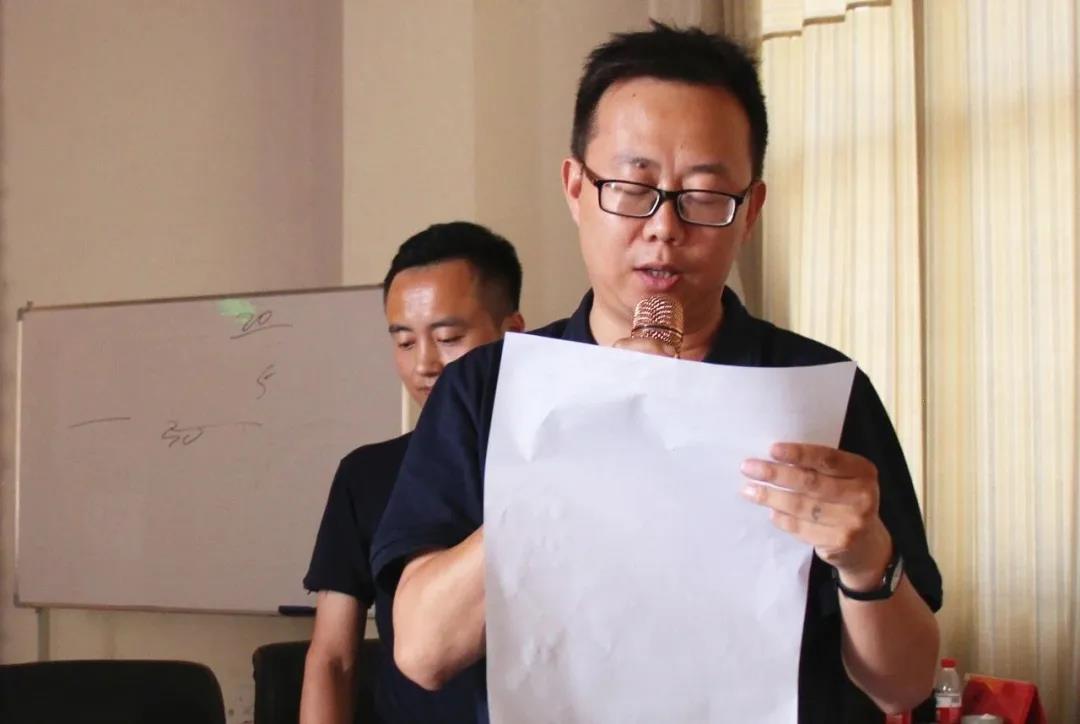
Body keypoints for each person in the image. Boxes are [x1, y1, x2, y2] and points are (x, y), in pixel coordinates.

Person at [372, 22, 942, 724]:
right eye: (631, 187)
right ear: (575, 188)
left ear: (750, 212)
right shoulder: (486, 388)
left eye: (704, 196)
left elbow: (903, 686)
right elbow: (423, 651)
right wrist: (585, 438)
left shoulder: (817, 389)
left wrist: (864, 557)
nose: (664, 228)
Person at [299, 221, 525, 724]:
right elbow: (332, 657)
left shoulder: (557, 462)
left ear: (512, 333)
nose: (425, 364)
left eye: (448, 337)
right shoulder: (365, 475)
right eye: (404, 343)